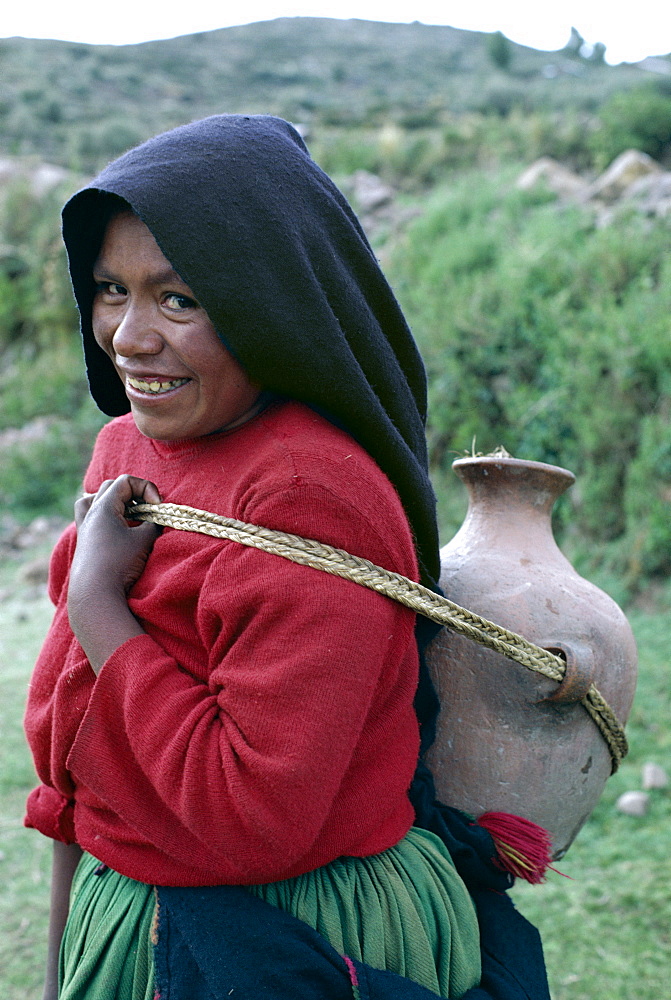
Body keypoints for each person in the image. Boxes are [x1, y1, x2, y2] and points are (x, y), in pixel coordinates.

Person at [24, 115, 549, 1000]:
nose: (129, 337)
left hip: (286, 939)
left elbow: (250, 819)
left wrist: (96, 605)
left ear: (268, 302)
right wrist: (68, 939)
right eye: (112, 289)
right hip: (136, 905)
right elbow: (78, 737)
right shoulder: (126, 449)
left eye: (180, 300)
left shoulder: (307, 493)